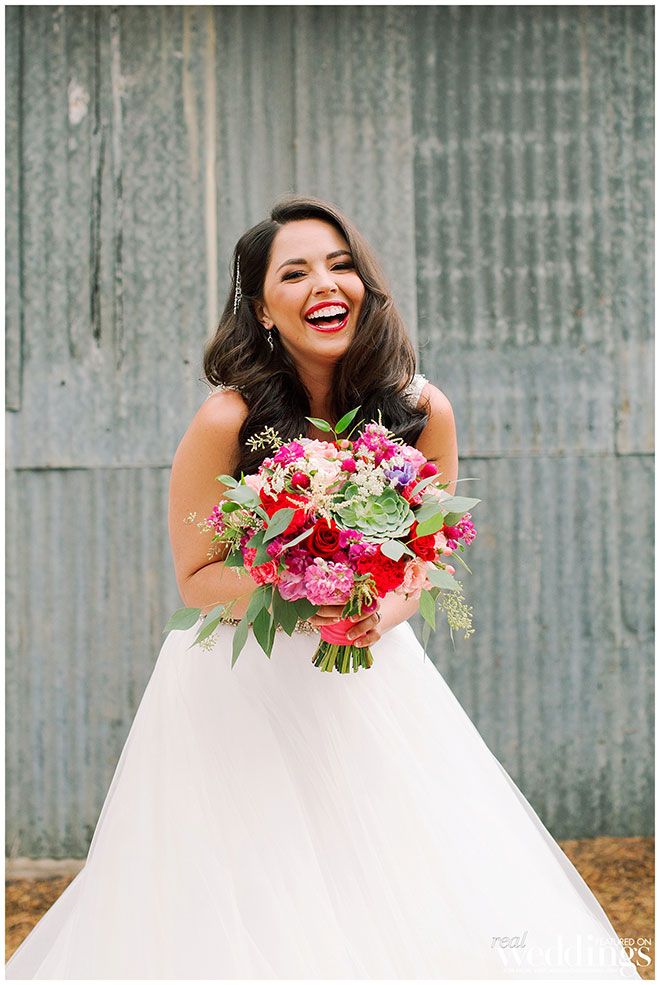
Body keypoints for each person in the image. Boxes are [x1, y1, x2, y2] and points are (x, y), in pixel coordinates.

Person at [6, 197, 641, 980]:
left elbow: (425, 554)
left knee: (388, 879)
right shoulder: (228, 420)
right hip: (237, 688)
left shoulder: (420, 410)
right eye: (295, 272)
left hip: (366, 680)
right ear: (261, 308)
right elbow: (197, 577)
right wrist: (302, 585)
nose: (324, 284)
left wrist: (383, 607)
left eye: (341, 265)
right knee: (250, 896)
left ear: (364, 285)